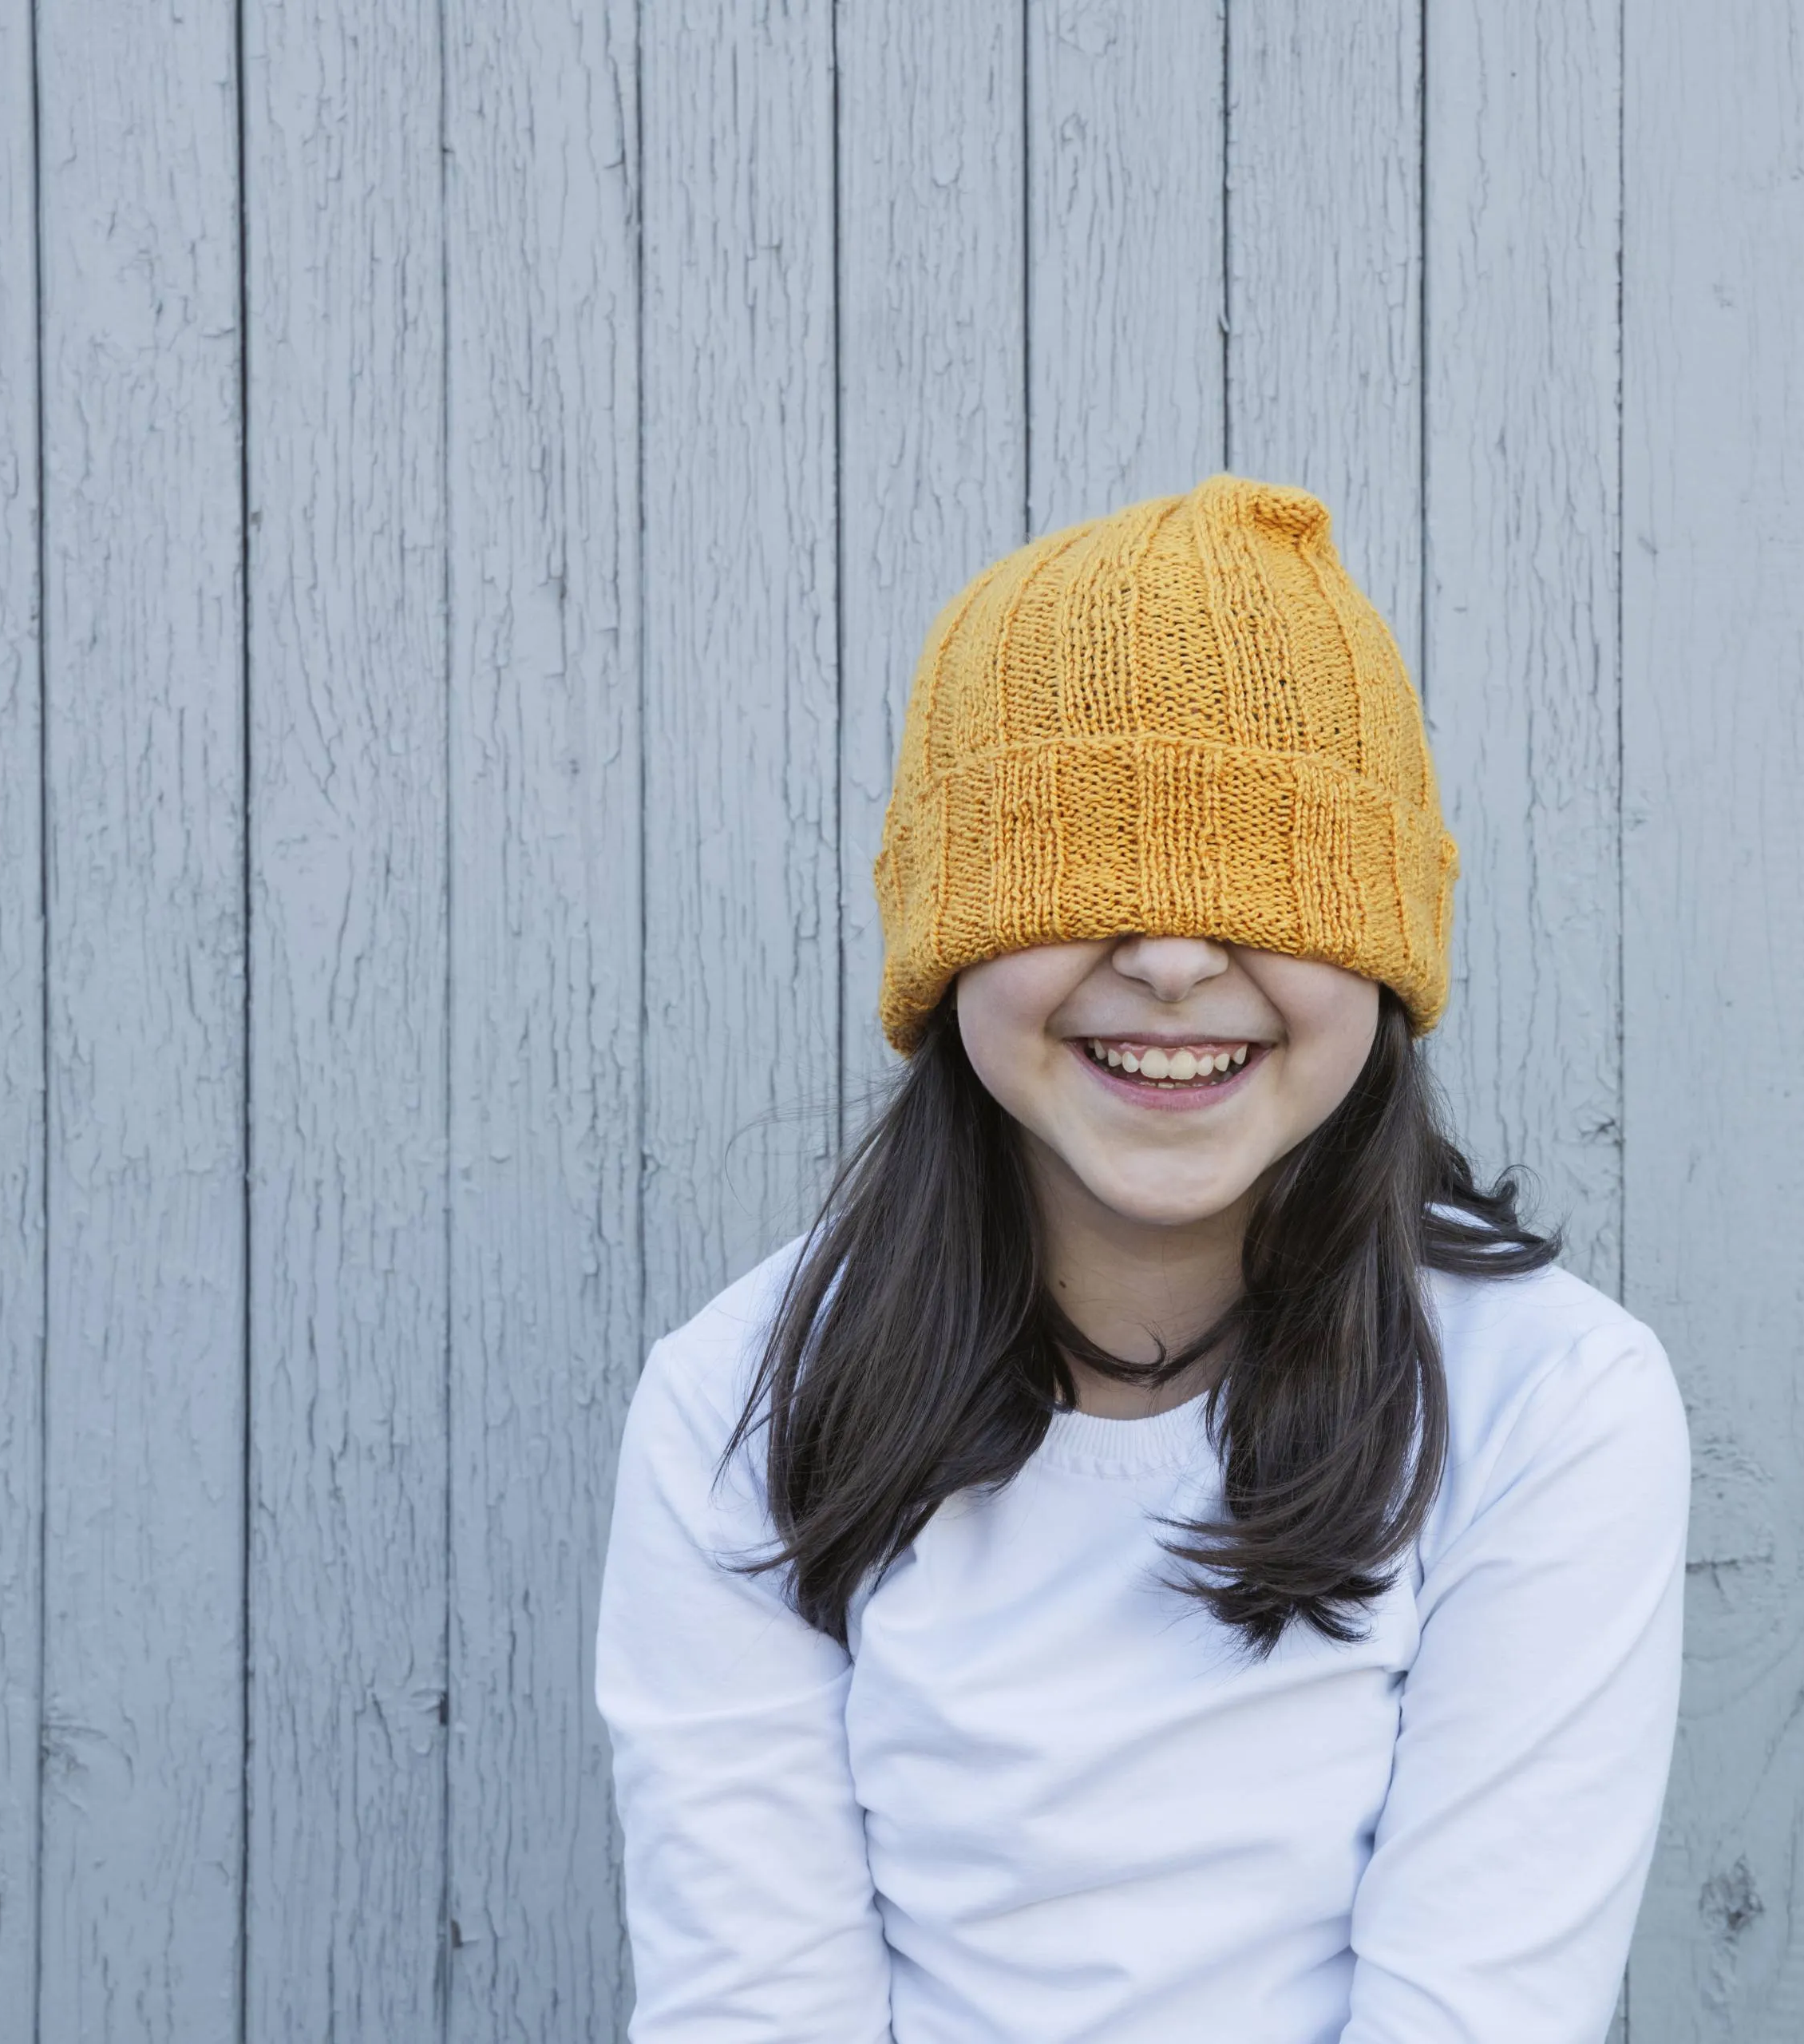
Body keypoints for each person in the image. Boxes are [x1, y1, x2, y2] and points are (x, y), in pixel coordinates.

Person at [595, 472, 1690, 2042]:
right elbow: (753, 2005)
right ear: (947, 936)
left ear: (1382, 953)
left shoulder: (1553, 1398)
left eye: (1265, 884)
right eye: (1080, 877)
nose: (1174, 960)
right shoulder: (743, 1404)